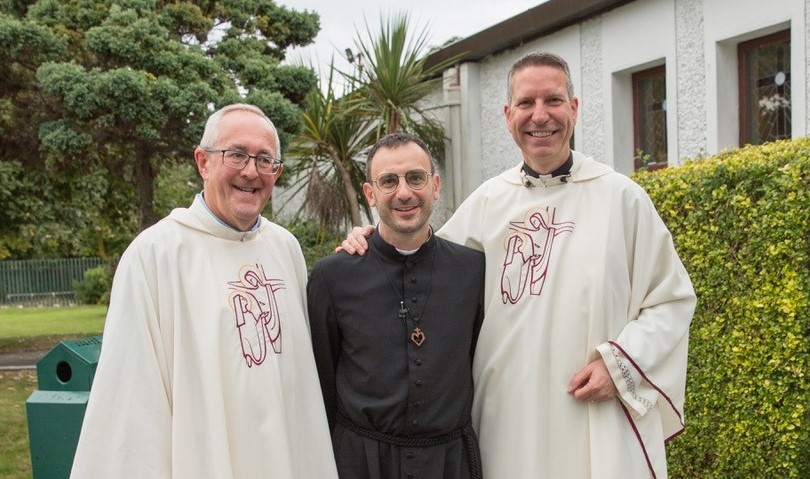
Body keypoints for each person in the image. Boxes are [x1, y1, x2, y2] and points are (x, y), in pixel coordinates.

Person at [340, 52, 697, 479]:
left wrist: (619, 364)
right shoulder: (488, 202)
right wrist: (368, 238)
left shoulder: (622, 199)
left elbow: (672, 300)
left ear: (575, 108)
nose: (539, 116)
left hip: (593, 413)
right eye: (526, 103)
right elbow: (418, 261)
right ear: (508, 115)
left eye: (554, 100)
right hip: (505, 418)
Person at [71, 104, 338, 478]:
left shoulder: (285, 248)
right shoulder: (156, 255)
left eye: (265, 160)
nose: (251, 171)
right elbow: (132, 400)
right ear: (203, 162)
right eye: (237, 155)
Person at [308, 132, 485, 479]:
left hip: (449, 463)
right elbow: (321, 381)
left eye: (415, 178)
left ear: (435, 185)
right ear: (370, 194)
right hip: (361, 462)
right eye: (389, 181)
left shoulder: (473, 269)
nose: (404, 192)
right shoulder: (333, 277)